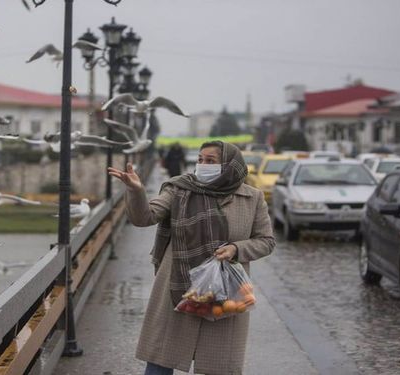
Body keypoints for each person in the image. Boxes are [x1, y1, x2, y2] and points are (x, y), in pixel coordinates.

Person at [108, 141, 275, 375]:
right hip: (178, 285)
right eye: (199, 160)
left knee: (219, 366)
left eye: (210, 161)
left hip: (225, 291)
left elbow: (266, 241)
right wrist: (136, 191)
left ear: (229, 165)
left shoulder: (252, 197)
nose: (202, 165)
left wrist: (236, 249)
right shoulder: (179, 189)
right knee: (161, 361)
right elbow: (145, 217)